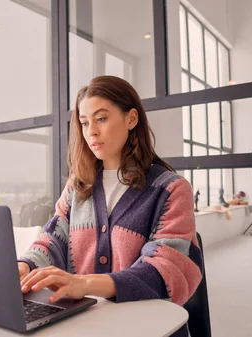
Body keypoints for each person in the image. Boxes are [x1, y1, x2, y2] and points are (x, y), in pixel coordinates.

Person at [17, 76, 202, 336]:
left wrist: (85, 283)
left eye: (101, 118)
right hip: (88, 325)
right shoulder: (77, 187)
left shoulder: (171, 189)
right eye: (84, 122)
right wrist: (25, 265)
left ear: (131, 119)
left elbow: (164, 270)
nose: (91, 131)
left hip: (149, 328)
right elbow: (53, 239)